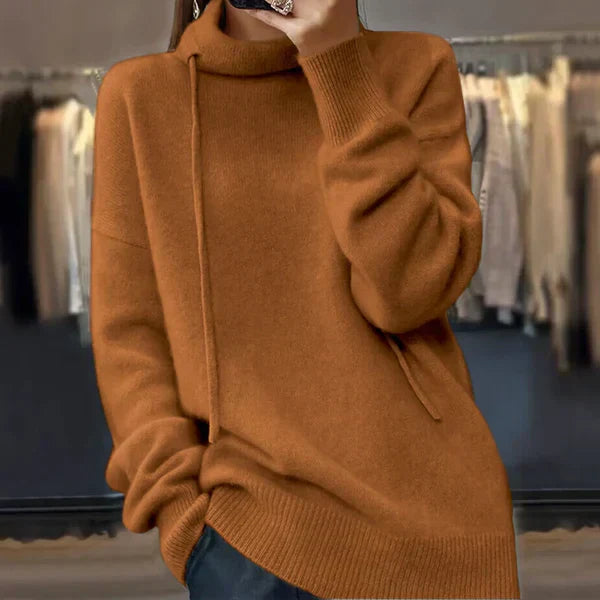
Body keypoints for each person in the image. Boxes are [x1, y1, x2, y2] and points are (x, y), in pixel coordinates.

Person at [90, 0, 521, 598]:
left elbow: (408, 293)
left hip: (432, 526)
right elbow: (130, 335)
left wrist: (338, 66)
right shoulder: (140, 96)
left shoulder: (417, 66)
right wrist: (185, 524)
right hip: (252, 545)